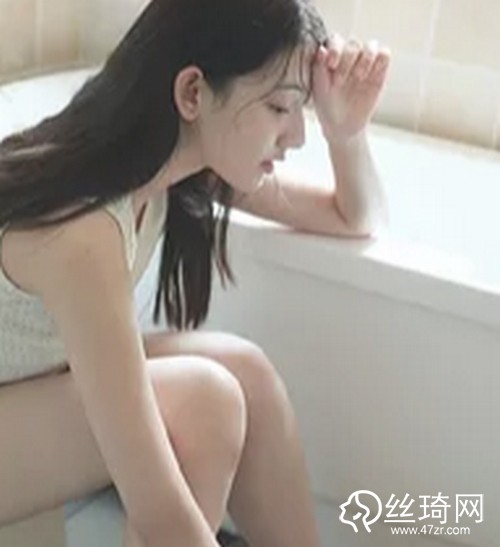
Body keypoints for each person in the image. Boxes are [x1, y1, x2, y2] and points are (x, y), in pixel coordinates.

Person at [0, 0, 391, 546]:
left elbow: (356, 217)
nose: (297, 136)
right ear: (193, 94)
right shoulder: (84, 231)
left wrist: (344, 133)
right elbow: (158, 510)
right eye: (280, 107)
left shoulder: (172, 170)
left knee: (245, 372)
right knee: (205, 401)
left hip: (27, 386)